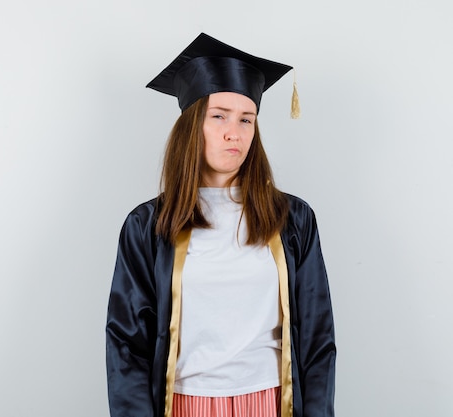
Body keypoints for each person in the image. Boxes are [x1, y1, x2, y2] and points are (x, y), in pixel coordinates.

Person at [105, 33, 335, 417]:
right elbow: (127, 343)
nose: (235, 132)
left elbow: (317, 336)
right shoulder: (149, 225)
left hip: (272, 401)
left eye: (246, 119)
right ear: (191, 125)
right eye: (219, 116)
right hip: (182, 404)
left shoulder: (292, 220)